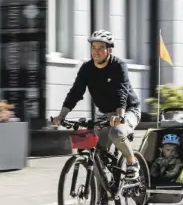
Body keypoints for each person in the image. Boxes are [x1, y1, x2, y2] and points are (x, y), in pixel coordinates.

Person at [52, 30, 142, 179]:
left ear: (109, 50)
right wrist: (61, 116)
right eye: (93, 47)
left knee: (116, 132)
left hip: (128, 110)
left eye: (100, 48)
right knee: (97, 154)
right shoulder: (87, 69)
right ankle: (101, 195)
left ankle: (133, 163)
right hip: (106, 113)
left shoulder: (118, 65)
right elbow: (75, 93)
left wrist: (119, 116)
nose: (96, 51)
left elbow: (122, 92)